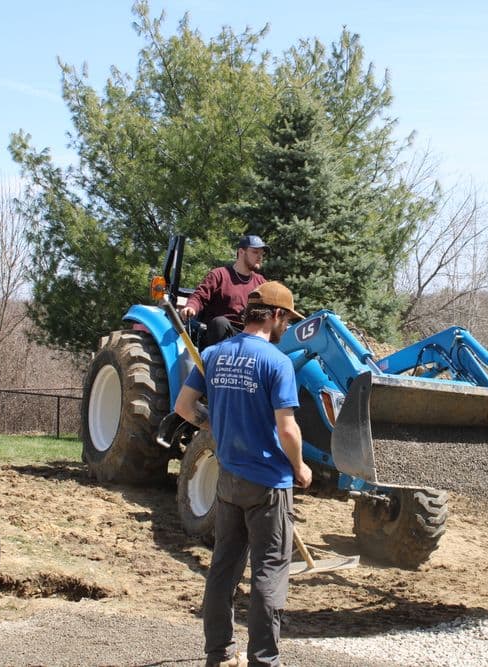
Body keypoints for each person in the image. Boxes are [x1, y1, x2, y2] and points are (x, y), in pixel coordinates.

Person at [174, 281, 312, 667]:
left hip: (228, 480)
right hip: (268, 484)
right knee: (269, 573)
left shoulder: (214, 353)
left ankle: (218, 655)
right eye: (287, 318)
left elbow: (184, 406)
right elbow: (287, 429)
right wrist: (300, 467)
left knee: (223, 569)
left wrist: (214, 426)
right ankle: (264, 661)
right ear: (276, 315)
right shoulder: (276, 362)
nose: (287, 327)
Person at [180, 234, 268, 348]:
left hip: (248, 337)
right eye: (255, 252)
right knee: (220, 323)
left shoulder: (261, 283)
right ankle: (219, 363)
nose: (260, 257)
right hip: (220, 335)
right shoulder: (219, 275)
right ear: (241, 252)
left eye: (262, 254)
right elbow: (199, 296)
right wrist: (191, 307)